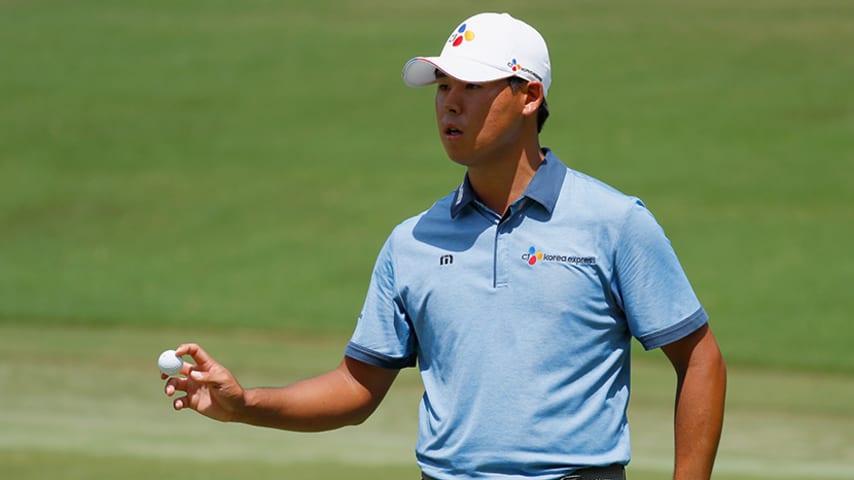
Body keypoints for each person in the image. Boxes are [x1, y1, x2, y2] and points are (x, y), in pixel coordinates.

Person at [162, 12, 727, 480]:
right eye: (442, 87)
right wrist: (246, 405)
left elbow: (700, 357)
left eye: (472, 87)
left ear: (529, 96)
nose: (449, 105)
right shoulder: (411, 241)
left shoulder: (612, 222)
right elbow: (356, 387)